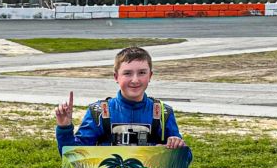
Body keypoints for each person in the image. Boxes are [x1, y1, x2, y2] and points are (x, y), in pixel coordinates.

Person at [55, 46, 187, 153]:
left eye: (142, 73)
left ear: (150, 75)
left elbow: (183, 159)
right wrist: (64, 128)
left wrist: (178, 146)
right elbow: (73, 156)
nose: (135, 80)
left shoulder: (163, 113)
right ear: (116, 77)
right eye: (127, 73)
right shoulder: (98, 112)